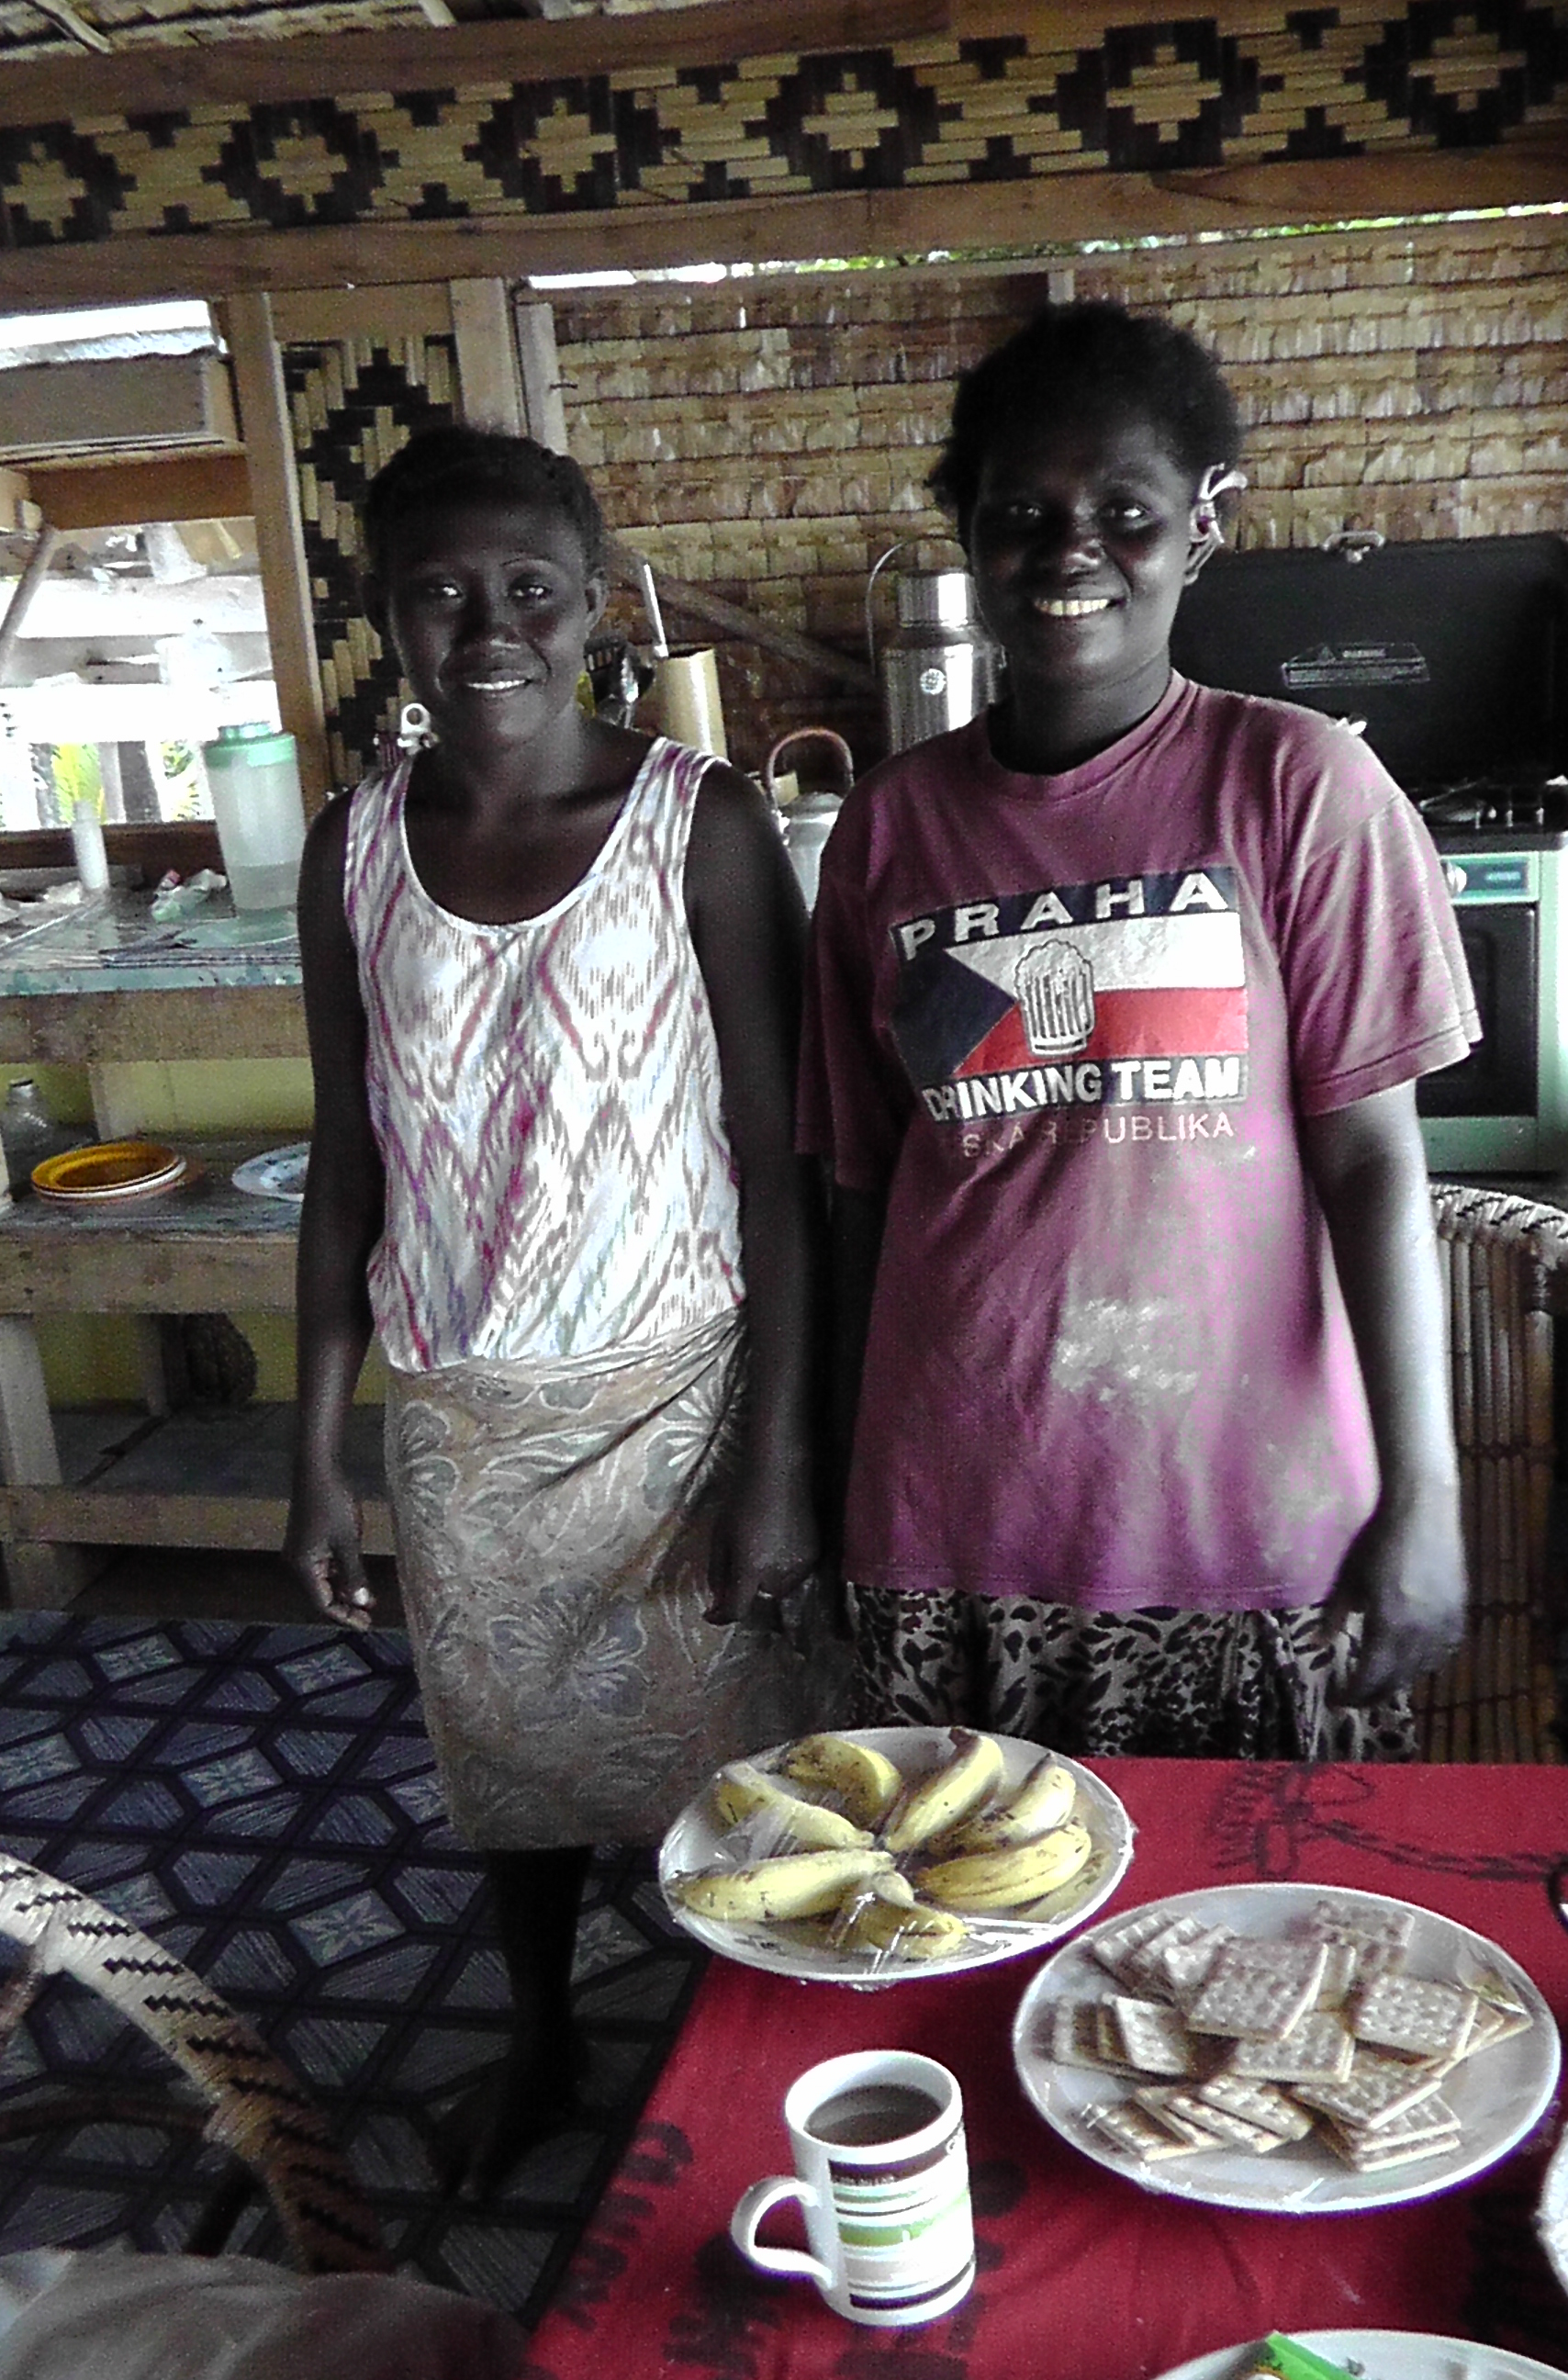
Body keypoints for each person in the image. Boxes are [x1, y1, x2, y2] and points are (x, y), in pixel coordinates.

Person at [800, 300, 1479, 1763]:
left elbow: (1373, 1164)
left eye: (1126, 511)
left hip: (1244, 1525)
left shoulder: (1299, 789)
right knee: (968, 1886)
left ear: (1205, 521)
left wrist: (1425, 1493)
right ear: (965, 530)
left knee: (1260, 1902)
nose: (1071, 552)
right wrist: (828, 1482)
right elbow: (863, 1193)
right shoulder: (890, 829)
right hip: (952, 1518)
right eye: (1021, 515)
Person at [286, 423, 831, 2196]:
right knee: (506, 1760)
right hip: (462, 1409)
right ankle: (543, 2036)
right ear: (387, 616)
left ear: (594, 607)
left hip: (681, 1395)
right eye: (439, 594)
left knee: (737, 1766)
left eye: (530, 589)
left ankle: (751, 2049)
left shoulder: (698, 822)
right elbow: (349, 1159)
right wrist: (316, 1454)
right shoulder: (354, 847)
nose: (488, 628)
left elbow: (780, 1163)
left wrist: (778, 1463)